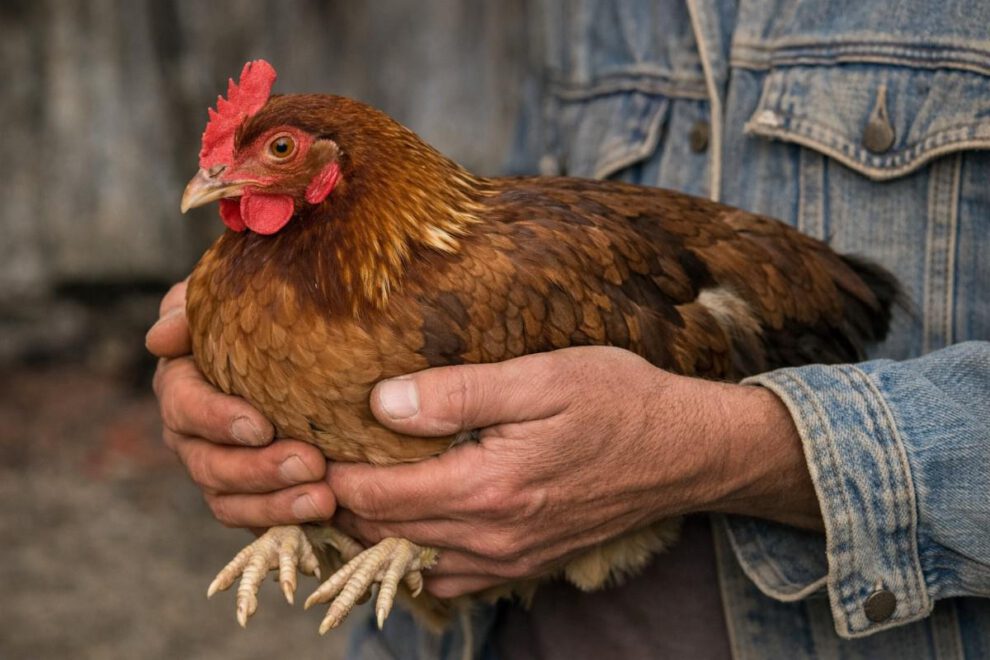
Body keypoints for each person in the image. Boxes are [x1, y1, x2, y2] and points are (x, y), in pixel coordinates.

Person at [147, 1, 990, 657]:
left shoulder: (459, 294)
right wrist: (268, 476)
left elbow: (547, 307)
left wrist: (725, 444)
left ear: (341, 167)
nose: (220, 175)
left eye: (279, 151)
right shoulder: (264, 282)